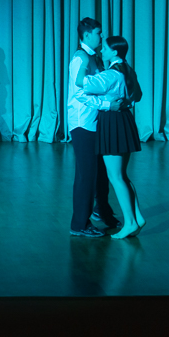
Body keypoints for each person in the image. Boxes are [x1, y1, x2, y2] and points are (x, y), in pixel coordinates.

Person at [83, 35, 145, 238]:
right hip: (125, 120)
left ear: (115, 52)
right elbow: (138, 96)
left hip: (112, 121)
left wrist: (82, 65)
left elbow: (84, 85)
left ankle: (130, 223)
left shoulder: (111, 74)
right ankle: (136, 218)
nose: (102, 51)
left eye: (106, 48)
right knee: (122, 175)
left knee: (116, 176)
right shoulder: (128, 70)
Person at [67, 17, 124, 237]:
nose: (102, 36)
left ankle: (102, 211)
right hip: (83, 123)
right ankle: (79, 224)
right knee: (86, 174)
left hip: (96, 121)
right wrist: (108, 105)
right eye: (99, 33)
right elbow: (80, 94)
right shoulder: (80, 58)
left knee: (100, 172)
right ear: (87, 35)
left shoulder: (95, 57)